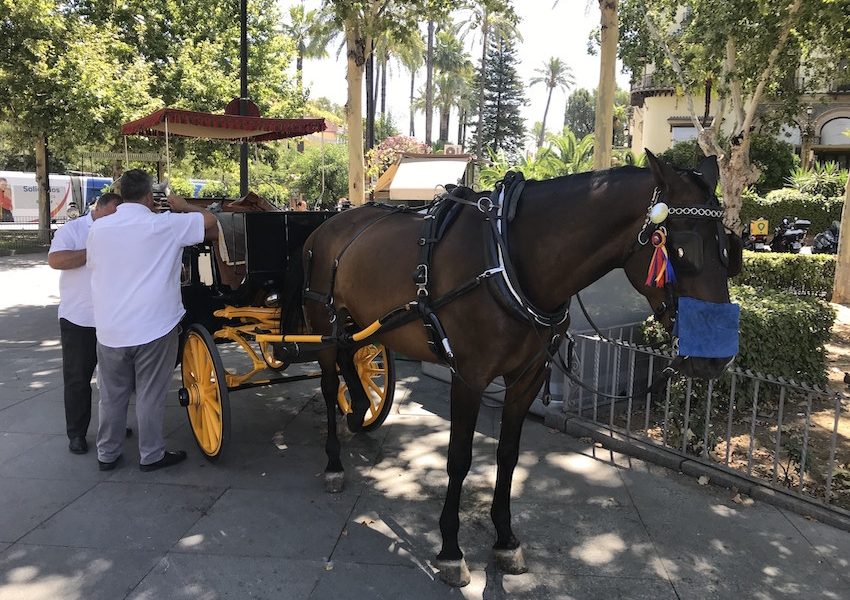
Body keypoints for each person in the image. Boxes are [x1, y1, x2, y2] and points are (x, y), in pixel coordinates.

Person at [87, 170, 218, 472]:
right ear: (149, 196)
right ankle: (151, 454)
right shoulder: (165, 224)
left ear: (122, 194)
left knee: (111, 396)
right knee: (150, 393)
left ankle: (107, 453)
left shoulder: (98, 228)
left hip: (110, 326)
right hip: (154, 325)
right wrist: (183, 206)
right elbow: (211, 221)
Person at [48, 192, 124, 454]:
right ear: (97, 207)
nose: (115, 219)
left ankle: (113, 426)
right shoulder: (73, 230)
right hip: (79, 318)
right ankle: (77, 434)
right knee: (78, 379)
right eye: (111, 213)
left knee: (116, 380)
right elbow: (56, 260)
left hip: (113, 317)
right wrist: (93, 251)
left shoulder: (119, 231)